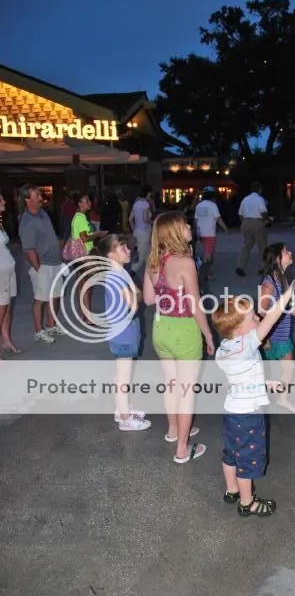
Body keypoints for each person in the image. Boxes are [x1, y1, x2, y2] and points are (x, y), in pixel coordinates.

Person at [211, 277, 295, 517]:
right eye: (252, 318)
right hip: (248, 416)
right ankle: (247, 503)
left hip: (232, 411)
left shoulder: (224, 350)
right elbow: (273, 316)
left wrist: (265, 384)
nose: (258, 319)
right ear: (239, 330)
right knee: (248, 459)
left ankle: (231, 490)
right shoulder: (248, 345)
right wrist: (290, 290)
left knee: (231, 453)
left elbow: (242, 378)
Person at [143, 211, 214, 463]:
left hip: (161, 328)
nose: (189, 227)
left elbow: (148, 299)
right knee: (186, 392)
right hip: (184, 331)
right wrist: (208, 335)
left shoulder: (154, 260)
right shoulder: (185, 263)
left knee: (171, 383)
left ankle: (173, 430)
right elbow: (195, 304)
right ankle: (183, 449)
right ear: (175, 231)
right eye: (185, 225)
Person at [92, 234, 152, 431]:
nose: (128, 250)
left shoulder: (119, 274)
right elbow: (135, 304)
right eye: (123, 248)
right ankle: (125, 418)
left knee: (122, 374)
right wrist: (136, 293)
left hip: (124, 331)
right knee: (123, 377)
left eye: (127, 246)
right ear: (111, 255)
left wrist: (136, 292)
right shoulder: (118, 277)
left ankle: (121, 408)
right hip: (124, 332)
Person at [260, 243, 295, 412]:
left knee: (289, 368)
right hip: (271, 335)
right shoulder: (269, 284)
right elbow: (261, 312)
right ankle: (255, 398)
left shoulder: (283, 279)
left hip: (282, 335)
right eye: (285, 251)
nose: (290, 252)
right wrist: (265, 339)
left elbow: (288, 306)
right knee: (261, 371)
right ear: (277, 259)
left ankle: (282, 399)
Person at [18, 184, 65, 344]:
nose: (40, 197)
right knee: (40, 299)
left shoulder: (43, 213)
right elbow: (29, 249)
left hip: (55, 262)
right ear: (27, 199)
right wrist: (39, 269)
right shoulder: (27, 221)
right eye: (37, 195)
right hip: (42, 265)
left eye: (40, 194)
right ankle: (39, 331)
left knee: (55, 295)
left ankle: (51, 325)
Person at [70, 192, 107, 323]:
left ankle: (83, 315)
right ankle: (88, 317)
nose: (89, 203)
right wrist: (98, 234)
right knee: (87, 286)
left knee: (82, 285)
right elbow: (84, 238)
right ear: (79, 204)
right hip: (84, 255)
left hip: (79, 256)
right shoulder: (80, 218)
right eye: (86, 201)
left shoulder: (78, 217)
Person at [235, 182, 270, 277]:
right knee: (262, 246)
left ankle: (240, 267)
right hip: (257, 223)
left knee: (245, 246)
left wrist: (244, 222)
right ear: (259, 190)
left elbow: (240, 213)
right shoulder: (260, 199)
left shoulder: (245, 199)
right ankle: (262, 268)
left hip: (246, 222)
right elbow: (263, 213)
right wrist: (268, 219)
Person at [0, 191, 20, 356]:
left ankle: (6, 340)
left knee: (7, 307)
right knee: (1, 307)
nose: (4, 201)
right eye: (0, 200)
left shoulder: (0, 221)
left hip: (8, 270)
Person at [194, 186, 229, 280]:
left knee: (208, 252)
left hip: (200, 233)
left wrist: (196, 231)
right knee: (208, 255)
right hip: (209, 233)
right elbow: (218, 219)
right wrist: (226, 229)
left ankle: (207, 271)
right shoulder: (213, 205)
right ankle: (205, 273)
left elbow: (196, 220)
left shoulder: (199, 205)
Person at [129, 185, 154, 273]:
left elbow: (130, 219)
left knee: (147, 253)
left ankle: (150, 272)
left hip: (137, 232)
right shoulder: (146, 204)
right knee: (142, 255)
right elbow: (145, 219)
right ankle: (132, 271)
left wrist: (134, 230)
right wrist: (154, 222)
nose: (150, 195)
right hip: (145, 232)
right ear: (147, 193)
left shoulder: (136, 204)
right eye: (150, 193)